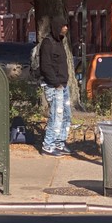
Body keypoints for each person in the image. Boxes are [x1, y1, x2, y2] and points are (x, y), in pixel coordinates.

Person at [39, 17, 72, 156]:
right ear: (57, 27)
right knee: (56, 116)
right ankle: (48, 145)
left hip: (64, 86)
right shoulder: (48, 43)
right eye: (63, 26)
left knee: (66, 115)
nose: (66, 28)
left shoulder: (60, 43)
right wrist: (56, 83)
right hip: (54, 86)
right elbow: (46, 66)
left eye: (66, 26)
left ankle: (59, 143)